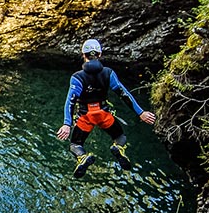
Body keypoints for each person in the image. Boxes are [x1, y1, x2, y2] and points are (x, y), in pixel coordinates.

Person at [55, 39, 156, 178]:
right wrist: (141, 112)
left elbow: (70, 101)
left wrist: (67, 124)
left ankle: (83, 157)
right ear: (100, 54)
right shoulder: (108, 73)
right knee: (119, 136)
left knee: (75, 144)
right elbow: (123, 94)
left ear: (83, 55)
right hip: (104, 114)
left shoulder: (77, 77)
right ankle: (118, 148)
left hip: (86, 117)